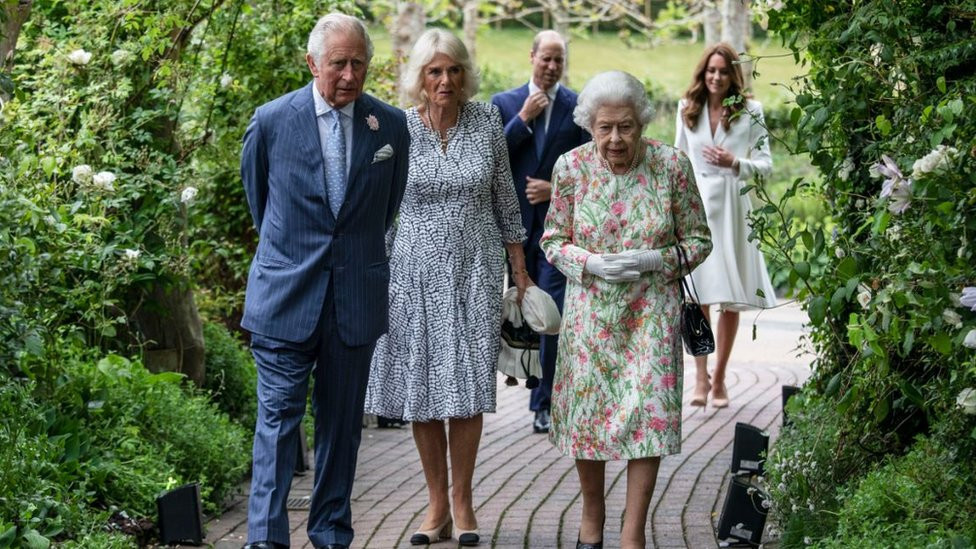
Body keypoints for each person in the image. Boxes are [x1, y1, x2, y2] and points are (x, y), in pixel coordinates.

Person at [239, 13, 409, 549]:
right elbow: (260, 204)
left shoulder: (391, 127)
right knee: (278, 422)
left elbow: (386, 208)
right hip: (286, 296)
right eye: (338, 63)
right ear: (313, 63)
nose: (349, 75)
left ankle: (331, 532)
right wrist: (295, 255)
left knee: (341, 428)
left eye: (359, 63)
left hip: (353, 299)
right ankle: (265, 539)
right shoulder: (270, 121)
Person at [364, 29, 532, 547]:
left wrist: (519, 266)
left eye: (454, 70)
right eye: (435, 71)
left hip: (475, 271)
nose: (445, 80)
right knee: (421, 387)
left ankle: (463, 501)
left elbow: (506, 195)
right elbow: (378, 202)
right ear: (420, 76)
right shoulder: (396, 126)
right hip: (410, 273)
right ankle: (436, 503)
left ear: (466, 75)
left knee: (464, 386)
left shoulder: (486, 120)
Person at [541, 70, 711, 549]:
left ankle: (632, 533)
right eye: (605, 128)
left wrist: (656, 259)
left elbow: (700, 240)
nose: (615, 139)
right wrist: (589, 261)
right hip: (591, 314)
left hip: (651, 313)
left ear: (642, 122)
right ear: (589, 126)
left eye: (626, 126)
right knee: (588, 418)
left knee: (650, 418)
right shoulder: (570, 168)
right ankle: (591, 521)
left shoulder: (672, 166)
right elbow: (553, 240)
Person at [491, 30, 591, 435]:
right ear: (531, 56)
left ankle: (544, 403)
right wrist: (524, 120)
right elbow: (492, 158)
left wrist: (555, 189)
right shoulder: (505, 104)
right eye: (545, 59)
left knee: (551, 316)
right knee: (517, 314)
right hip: (511, 231)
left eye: (558, 61)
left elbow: (589, 166)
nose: (551, 67)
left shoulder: (578, 106)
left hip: (556, 232)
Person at [675, 42, 776, 409]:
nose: (715, 77)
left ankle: (720, 378)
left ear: (733, 75)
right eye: (710, 71)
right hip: (697, 208)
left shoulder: (751, 111)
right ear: (703, 73)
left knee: (729, 300)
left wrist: (736, 162)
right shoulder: (687, 109)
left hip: (734, 209)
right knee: (698, 296)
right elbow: (678, 161)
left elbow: (766, 165)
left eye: (722, 71)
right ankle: (699, 378)